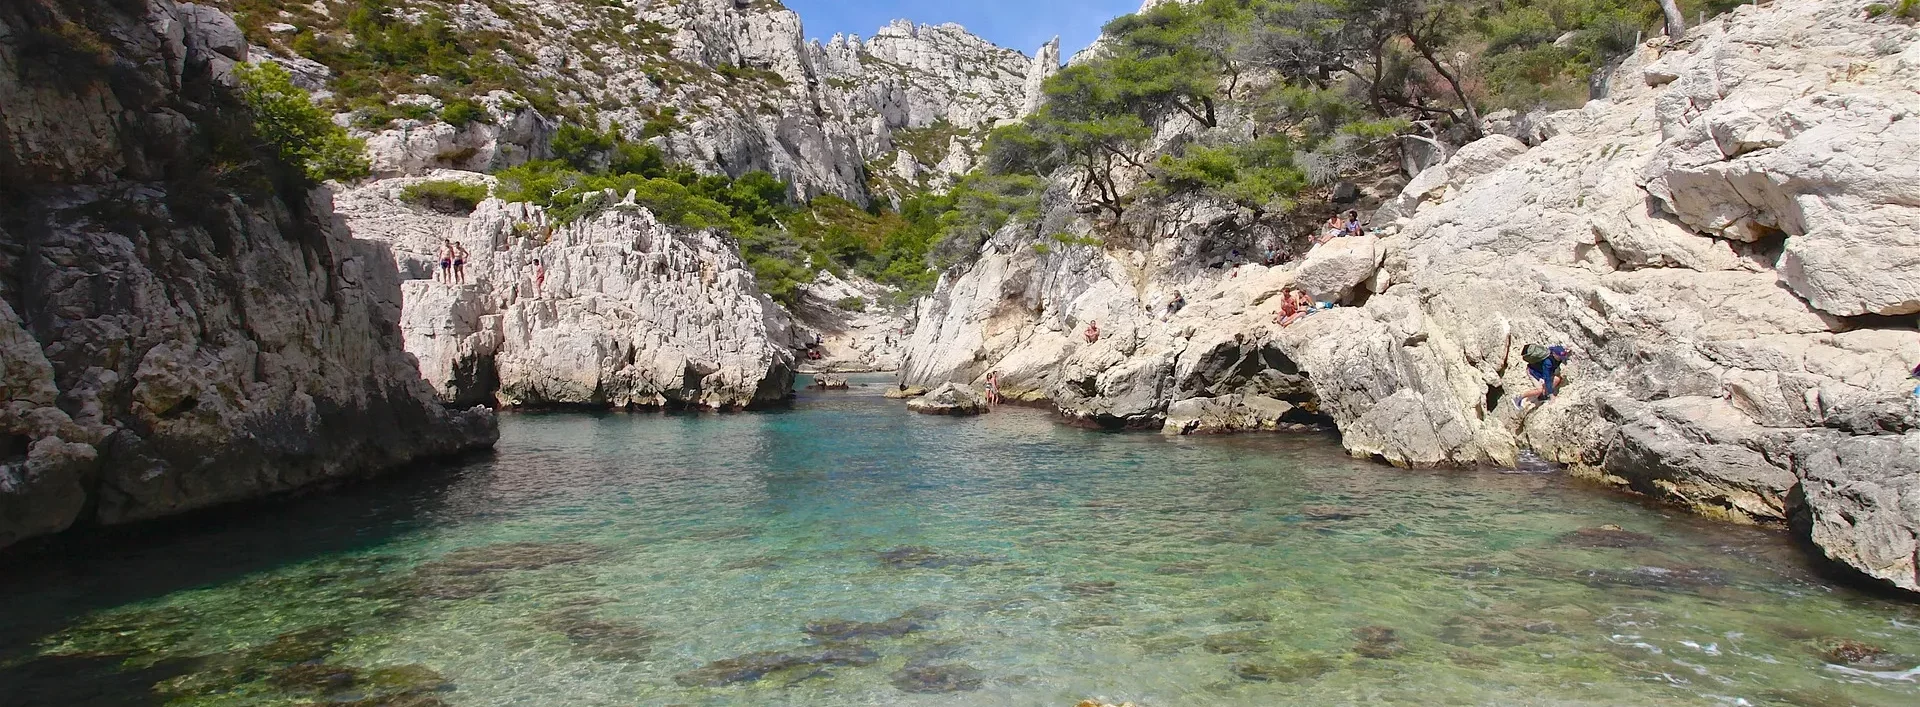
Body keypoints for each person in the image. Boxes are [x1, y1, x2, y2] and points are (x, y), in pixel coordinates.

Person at [1514, 345, 1573, 409]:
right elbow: (1547, 378)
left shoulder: (1555, 350)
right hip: (1533, 372)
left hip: (1541, 372)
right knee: (1539, 390)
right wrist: (1551, 395)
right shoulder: (1548, 363)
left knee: (1557, 379)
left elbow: (1559, 349)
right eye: (1560, 357)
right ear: (1554, 354)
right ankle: (1518, 398)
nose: (1561, 359)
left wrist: (1566, 350)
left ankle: (1542, 396)